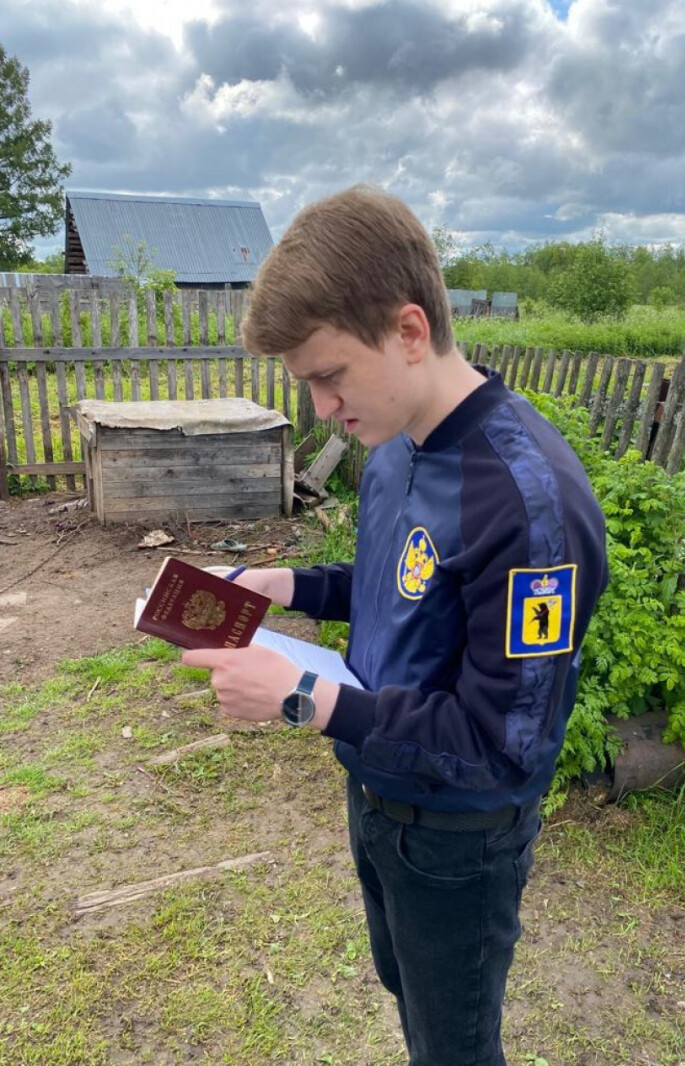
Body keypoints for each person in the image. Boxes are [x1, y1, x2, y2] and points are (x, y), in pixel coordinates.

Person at [183, 185, 608, 1066]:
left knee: (453, 1047)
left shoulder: (527, 507)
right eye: (308, 384)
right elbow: (392, 587)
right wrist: (279, 583)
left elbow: (501, 746)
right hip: (375, 791)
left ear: (409, 331)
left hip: (457, 836)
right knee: (405, 995)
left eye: (329, 375)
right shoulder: (393, 445)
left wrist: (302, 697)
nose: (321, 408)